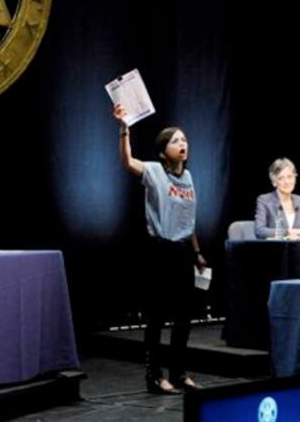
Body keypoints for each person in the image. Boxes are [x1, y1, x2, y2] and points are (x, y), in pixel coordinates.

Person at [113, 104, 207, 395]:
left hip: (182, 252)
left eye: (184, 140)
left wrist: (197, 252)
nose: (183, 144)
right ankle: (155, 375)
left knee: (184, 317)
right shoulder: (154, 171)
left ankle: (178, 373)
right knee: (157, 316)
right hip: (159, 251)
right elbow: (128, 161)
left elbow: (188, 220)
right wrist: (124, 128)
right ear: (163, 149)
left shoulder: (189, 178)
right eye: (176, 141)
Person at [254, 158, 300, 239]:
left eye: (290, 177)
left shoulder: (299, 200)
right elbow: (259, 231)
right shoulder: (264, 200)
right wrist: (287, 232)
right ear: (274, 182)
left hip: (296, 249)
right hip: (274, 249)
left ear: (295, 179)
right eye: (281, 178)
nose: (287, 182)